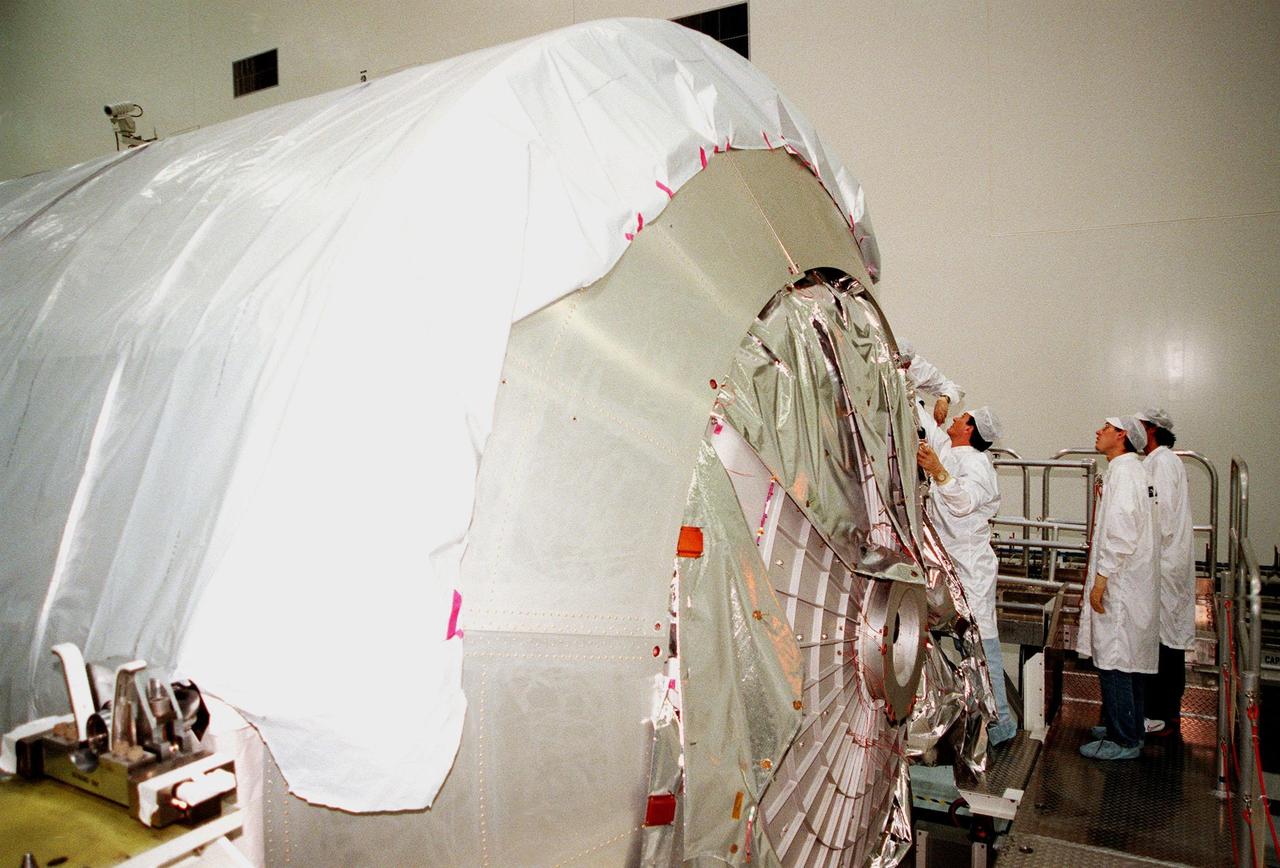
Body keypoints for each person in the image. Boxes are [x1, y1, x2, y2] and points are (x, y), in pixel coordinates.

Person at [916, 405, 1018, 746]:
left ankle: (1001, 723)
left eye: (961, 417)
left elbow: (964, 502)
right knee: (958, 643)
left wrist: (939, 473)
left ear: (970, 429)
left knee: (980, 643)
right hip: (943, 566)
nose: (954, 419)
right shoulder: (949, 451)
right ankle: (968, 717)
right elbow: (925, 423)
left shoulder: (977, 464)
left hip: (970, 568)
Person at [1077, 416, 1160, 760]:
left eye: (1106, 428)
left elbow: (1121, 533)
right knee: (1128, 659)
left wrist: (1101, 581)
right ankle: (1127, 725)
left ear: (1122, 435)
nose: (1098, 432)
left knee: (1114, 659)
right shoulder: (1127, 471)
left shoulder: (1125, 473)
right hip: (1129, 581)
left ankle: (1123, 738)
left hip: (1121, 584)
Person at [1136, 408, 1194, 736]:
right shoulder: (1158, 462)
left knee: (1164, 640)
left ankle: (1161, 712)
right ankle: (1161, 710)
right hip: (1162, 562)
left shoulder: (1162, 463)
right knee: (1163, 636)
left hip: (1163, 564)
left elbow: (1160, 515)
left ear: (1152, 430)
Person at [899, 339, 963, 425]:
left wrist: (944, 398)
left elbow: (951, 387)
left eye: (906, 366)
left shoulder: (915, 365)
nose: (904, 370)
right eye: (899, 366)